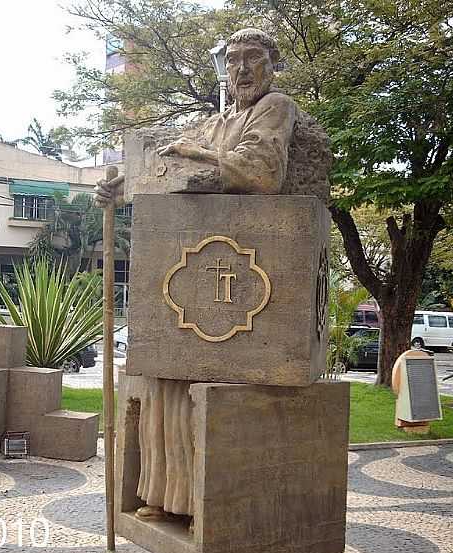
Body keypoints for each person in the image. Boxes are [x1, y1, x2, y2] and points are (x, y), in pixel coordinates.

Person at [95, 28, 308, 524]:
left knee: (213, 400)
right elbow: (167, 162)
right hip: (191, 277)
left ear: (271, 64)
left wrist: (202, 159)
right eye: (233, 61)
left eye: (252, 59)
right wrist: (120, 188)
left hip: (247, 274)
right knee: (164, 391)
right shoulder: (216, 122)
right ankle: (167, 497)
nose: (241, 70)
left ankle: (211, 510)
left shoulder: (276, 106)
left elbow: (261, 171)